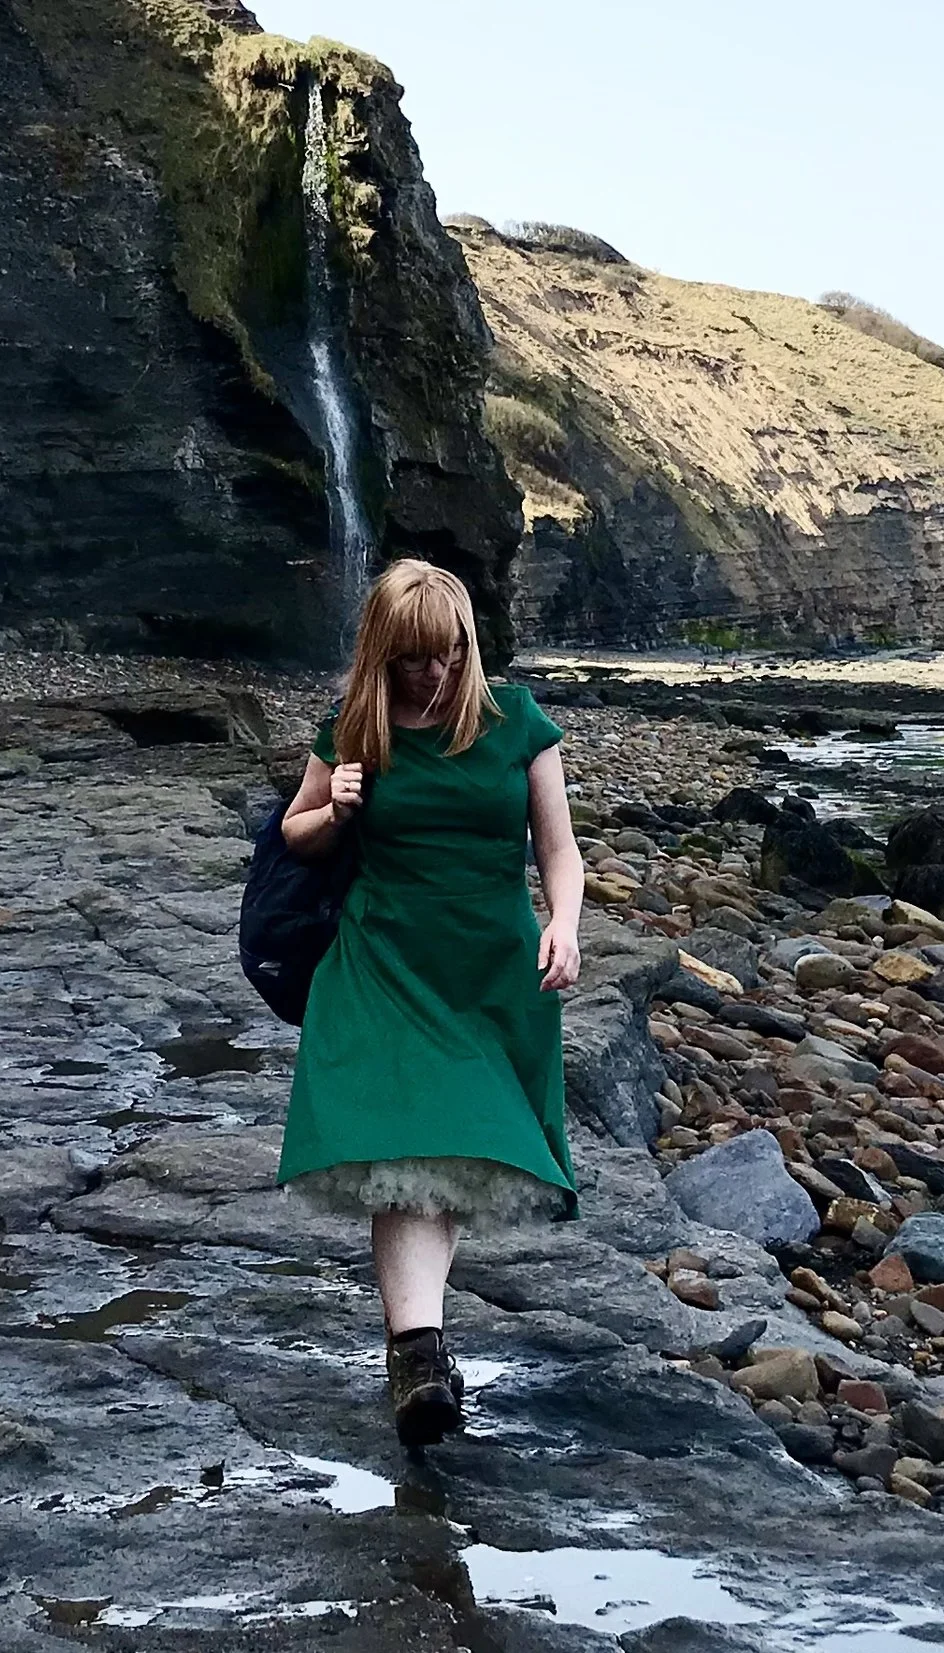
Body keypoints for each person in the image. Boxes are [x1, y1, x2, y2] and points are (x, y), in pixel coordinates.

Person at [277, 558, 586, 1448]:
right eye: (415, 658)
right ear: (384, 651)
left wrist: (563, 925)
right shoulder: (355, 726)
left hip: (489, 971)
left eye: (449, 653)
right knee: (406, 1147)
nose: (435, 674)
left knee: (451, 1150)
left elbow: (558, 849)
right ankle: (417, 1352)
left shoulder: (515, 722)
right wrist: (332, 807)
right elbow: (295, 834)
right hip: (383, 961)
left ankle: (419, 1351)